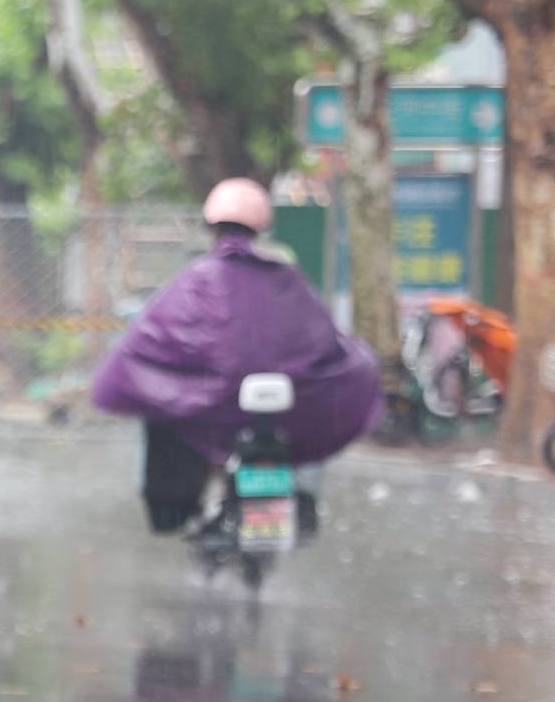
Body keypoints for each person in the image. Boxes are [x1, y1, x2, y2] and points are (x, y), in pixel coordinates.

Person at [90, 177, 381, 533]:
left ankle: (184, 511)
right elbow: (321, 337)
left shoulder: (198, 278)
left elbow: (154, 339)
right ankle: (299, 500)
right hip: (284, 408)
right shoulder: (286, 277)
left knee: (164, 419)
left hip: (215, 409)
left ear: (211, 226)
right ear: (262, 226)